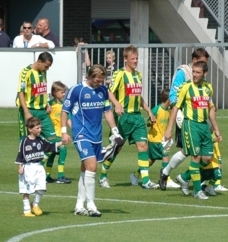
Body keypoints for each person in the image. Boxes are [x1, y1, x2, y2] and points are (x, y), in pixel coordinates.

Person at [60, 64, 121, 217]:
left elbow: (107, 111)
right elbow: (64, 111)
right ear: (90, 77)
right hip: (81, 134)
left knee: (85, 169)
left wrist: (115, 132)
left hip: (96, 136)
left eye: (102, 81)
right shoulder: (76, 90)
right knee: (92, 167)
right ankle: (91, 204)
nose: (100, 83)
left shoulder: (103, 91)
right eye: (98, 81)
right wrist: (64, 132)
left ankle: (79, 205)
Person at [99, 46, 157, 189]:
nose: (135, 61)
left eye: (137, 58)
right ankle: (102, 175)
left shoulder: (138, 75)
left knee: (143, 146)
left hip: (137, 117)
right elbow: (109, 92)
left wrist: (149, 111)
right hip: (123, 117)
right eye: (133, 59)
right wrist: (117, 104)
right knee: (116, 148)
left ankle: (145, 180)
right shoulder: (119, 74)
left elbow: (138, 97)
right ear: (125, 59)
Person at [164, 61, 222, 201]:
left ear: (205, 74)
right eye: (193, 72)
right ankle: (197, 191)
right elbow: (175, 107)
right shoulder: (185, 87)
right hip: (191, 125)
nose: (194, 75)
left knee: (207, 158)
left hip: (203, 126)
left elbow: (210, 110)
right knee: (195, 157)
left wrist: (216, 128)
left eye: (198, 73)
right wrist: (169, 129)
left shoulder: (208, 88)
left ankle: (184, 177)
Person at [17, 116, 62, 217]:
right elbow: (20, 155)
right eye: (37, 128)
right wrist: (20, 167)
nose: (40, 130)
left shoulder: (40, 140)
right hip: (28, 167)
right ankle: (26, 210)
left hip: (39, 167)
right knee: (26, 190)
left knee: (42, 187)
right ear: (30, 129)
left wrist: (62, 142)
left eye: (40, 127)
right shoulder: (24, 141)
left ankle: (35, 204)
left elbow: (50, 146)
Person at [132, 89, 171, 188]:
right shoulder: (157, 109)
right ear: (168, 99)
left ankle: (135, 175)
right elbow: (148, 122)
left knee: (150, 160)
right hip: (155, 139)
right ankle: (166, 179)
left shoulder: (169, 111)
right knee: (165, 156)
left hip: (162, 139)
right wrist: (151, 122)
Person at [17, 52, 56, 144]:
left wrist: (46, 104)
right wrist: (26, 112)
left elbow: (41, 89)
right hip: (30, 110)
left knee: (54, 140)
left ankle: (43, 158)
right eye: (46, 66)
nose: (47, 69)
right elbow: (21, 92)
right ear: (39, 61)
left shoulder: (43, 71)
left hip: (43, 112)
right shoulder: (26, 72)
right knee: (27, 142)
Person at [45, 81, 71, 184]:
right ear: (55, 92)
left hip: (61, 134)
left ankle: (47, 176)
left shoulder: (65, 105)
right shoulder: (49, 105)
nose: (64, 94)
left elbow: (68, 118)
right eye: (62, 92)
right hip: (52, 135)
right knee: (62, 151)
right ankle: (60, 176)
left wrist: (73, 128)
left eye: (64, 92)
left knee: (52, 154)